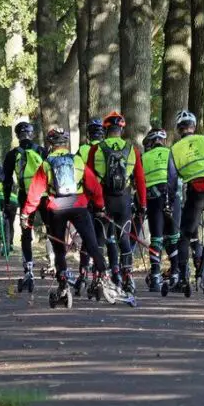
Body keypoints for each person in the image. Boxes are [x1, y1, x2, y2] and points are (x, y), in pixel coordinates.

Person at [22, 128, 119, 303]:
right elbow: (94, 187)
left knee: (59, 250)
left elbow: (35, 192)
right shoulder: (77, 161)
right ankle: (104, 276)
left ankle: (63, 284)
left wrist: (25, 214)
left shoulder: (46, 163)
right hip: (79, 206)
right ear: (66, 144)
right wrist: (100, 206)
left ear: (51, 144)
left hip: (56, 208)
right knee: (91, 243)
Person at [87, 111, 147, 293]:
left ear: (105, 130)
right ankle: (127, 276)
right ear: (121, 129)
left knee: (100, 238)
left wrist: (89, 200)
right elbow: (140, 179)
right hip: (124, 200)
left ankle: (98, 277)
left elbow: (88, 177)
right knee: (124, 238)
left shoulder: (96, 149)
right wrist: (142, 204)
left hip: (103, 200)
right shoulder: (132, 150)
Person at [170, 110, 204, 294]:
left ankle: (183, 277)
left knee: (185, 235)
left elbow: (172, 179)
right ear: (194, 126)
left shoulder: (174, 149)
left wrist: (169, 201)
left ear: (178, 129)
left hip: (194, 194)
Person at [3, 121, 48, 290]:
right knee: (51, 229)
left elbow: (7, 181)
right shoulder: (42, 151)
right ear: (32, 134)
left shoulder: (12, 154)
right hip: (43, 195)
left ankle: (28, 269)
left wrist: (7, 202)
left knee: (26, 232)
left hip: (25, 196)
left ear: (17, 135)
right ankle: (54, 261)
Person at [142, 128, 180, 291]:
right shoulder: (172, 153)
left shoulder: (144, 157)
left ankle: (156, 277)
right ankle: (177, 274)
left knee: (156, 239)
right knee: (174, 237)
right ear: (163, 141)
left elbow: (140, 181)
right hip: (173, 198)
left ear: (150, 142)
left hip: (154, 199)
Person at [76, 118, 111, 293]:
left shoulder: (82, 150)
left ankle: (82, 273)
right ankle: (100, 274)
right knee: (101, 238)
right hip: (106, 199)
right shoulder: (107, 149)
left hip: (86, 199)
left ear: (89, 134)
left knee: (86, 238)